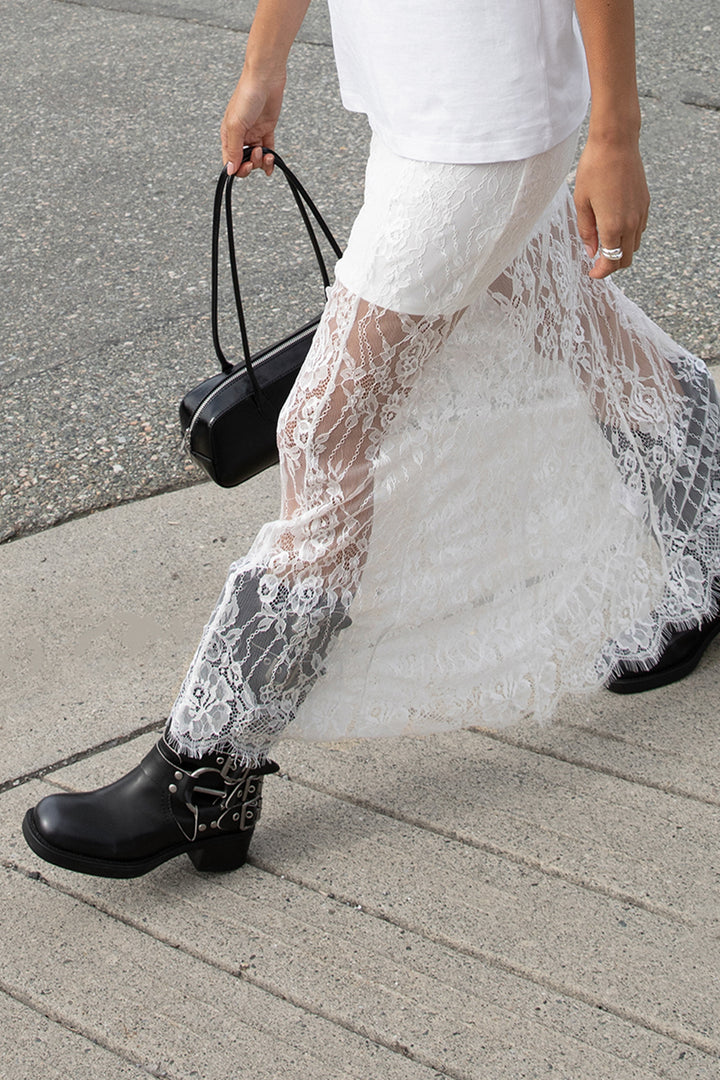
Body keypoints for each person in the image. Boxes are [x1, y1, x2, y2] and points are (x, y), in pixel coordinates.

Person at [22, 0, 720, 878]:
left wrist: (616, 133)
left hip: (485, 125)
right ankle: (712, 548)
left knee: (322, 429)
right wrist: (261, 68)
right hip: (421, 103)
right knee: (585, 332)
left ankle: (207, 773)